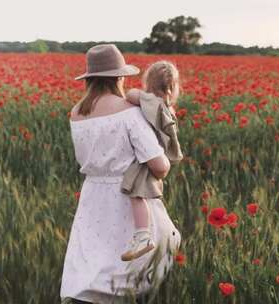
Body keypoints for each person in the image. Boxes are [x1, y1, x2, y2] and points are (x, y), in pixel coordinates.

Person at [60, 44, 181, 304]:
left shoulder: (76, 114)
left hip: (92, 197)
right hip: (127, 196)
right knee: (145, 262)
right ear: (119, 77)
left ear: (89, 79)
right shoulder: (129, 113)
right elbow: (159, 166)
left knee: (93, 265)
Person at [120, 60, 184, 262]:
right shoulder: (167, 109)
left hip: (146, 159)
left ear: (149, 83)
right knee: (147, 196)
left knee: (136, 195)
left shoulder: (149, 102)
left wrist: (140, 93)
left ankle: (143, 236)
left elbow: (130, 95)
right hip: (159, 157)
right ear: (173, 88)